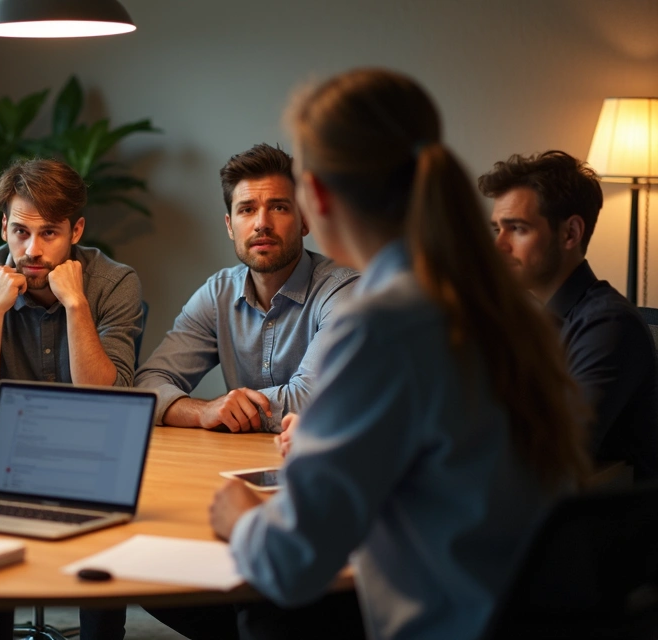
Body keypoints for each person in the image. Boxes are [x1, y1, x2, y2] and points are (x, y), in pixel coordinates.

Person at [209, 69, 590, 640]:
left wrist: (240, 517)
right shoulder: (504, 307)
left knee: (260, 615)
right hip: (523, 617)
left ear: (315, 198)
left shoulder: (380, 323)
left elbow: (291, 564)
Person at [135, 144, 357, 433]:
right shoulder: (218, 294)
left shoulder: (343, 292)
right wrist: (202, 411)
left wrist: (229, 410)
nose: (261, 224)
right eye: (247, 209)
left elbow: (311, 399)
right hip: (241, 463)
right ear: (230, 226)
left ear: (305, 221)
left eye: (278, 207)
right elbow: (148, 383)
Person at [480, 151, 657, 480]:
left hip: (607, 523)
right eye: (496, 230)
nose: (498, 246)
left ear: (570, 234)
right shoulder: (536, 324)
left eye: (516, 228)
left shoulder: (608, 325)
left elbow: (556, 454)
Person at [0, 157, 142, 419]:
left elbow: (110, 403)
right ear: (4, 228)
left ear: (76, 231)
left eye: (49, 233)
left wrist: (76, 305)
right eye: (21, 232)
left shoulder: (114, 282)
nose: (32, 251)